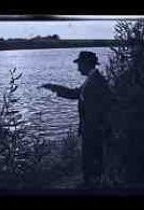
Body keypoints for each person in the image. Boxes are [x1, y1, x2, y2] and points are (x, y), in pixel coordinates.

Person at [40, 51, 112, 187]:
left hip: (93, 131)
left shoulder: (94, 81)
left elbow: (101, 107)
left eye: (79, 64)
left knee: (91, 165)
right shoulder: (93, 79)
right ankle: (94, 184)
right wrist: (54, 87)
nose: (78, 68)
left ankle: (92, 186)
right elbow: (76, 94)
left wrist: (97, 129)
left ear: (85, 64)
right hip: (93, 130)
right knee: (93, 164)